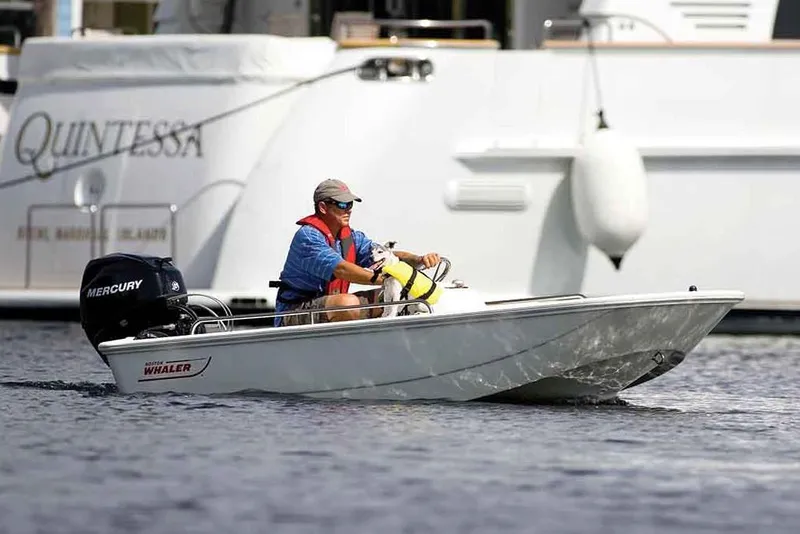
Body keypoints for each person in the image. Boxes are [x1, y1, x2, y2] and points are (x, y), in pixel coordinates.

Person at [273, 179, 441, 326]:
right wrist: (388, 279)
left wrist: (419, 259)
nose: (348, 209)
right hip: (293, 312)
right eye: (342, 204)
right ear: (323, 207)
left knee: (398, 296)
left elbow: (386, 256)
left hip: (331, 307)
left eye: (350, 204)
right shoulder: (308, 237)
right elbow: (342, 269)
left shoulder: (351, 237)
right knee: (347, 303)